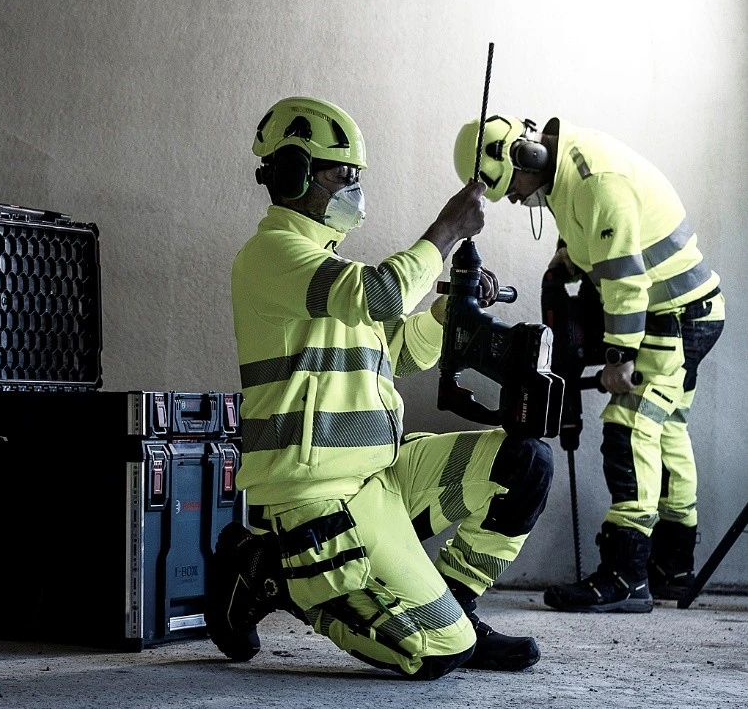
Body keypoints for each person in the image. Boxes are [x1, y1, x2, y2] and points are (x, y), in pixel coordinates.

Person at [208, 97, 554, 678]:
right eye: (341, 175)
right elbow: (383, 294)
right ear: (293, 174)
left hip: (384, 476)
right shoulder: (272, 255)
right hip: (317, 497)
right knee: (436, 653)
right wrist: (446, 231)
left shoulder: (327, 269)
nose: (354, 189)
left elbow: (397, 353)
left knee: (525, 463)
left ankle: (458, 610)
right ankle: (271, 569)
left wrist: (447, 313)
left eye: (356, 176)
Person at [454, 115, 725, 611]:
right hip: (686, 310)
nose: (513, 199)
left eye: (510, 188)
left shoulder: (596, 183)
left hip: (673, 316)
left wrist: (619, 356)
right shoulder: (567, 173)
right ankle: (673, 567)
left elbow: (624, 277)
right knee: (667, 429)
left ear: (526, 157)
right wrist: (570, 258)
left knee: (631, 425)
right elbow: (598, 240)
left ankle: (626, 575)